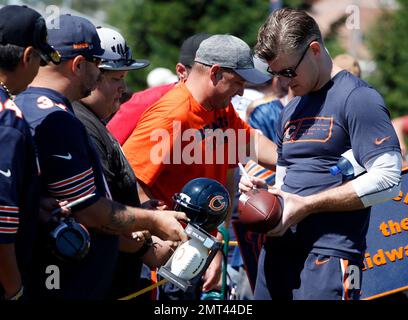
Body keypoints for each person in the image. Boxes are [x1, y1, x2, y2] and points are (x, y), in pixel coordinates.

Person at [14, 14, 187, 300]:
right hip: (61, 281)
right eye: (98, 63)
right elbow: (90, 211)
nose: (99, 75)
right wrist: (154, 222)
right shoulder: (57, 118)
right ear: (79, 65)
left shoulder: (28, 105)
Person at [240, 8, 402, 300]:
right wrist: (269, 193)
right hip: (278, 250)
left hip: (329, 254)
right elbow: (285, 179)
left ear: (314, 49)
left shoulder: (358, 98)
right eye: (276, 75)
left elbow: (389, 179)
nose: (284, 83)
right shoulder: (290, 108)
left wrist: (308, 204)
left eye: (289, 71)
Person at [122, 34, 277, 298]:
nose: (241, 91)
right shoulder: (174, 113)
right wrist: (157, 242)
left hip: (198, 249)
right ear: (215, 73)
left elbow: (250, 143)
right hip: (166, 260)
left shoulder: (219, 109)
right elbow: (128, 181)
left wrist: (297, 161)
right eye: (238, 82)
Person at [72, 26, 176, 299]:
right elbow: (91, 214)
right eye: (117, 78)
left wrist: (139, 209)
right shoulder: (81, 124)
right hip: (100, 281)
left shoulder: (95, 121)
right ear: (93, 74)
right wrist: (147, 248)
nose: (124, 88)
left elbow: (109, 197)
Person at [0, 5, 61, 300]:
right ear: (27, 56)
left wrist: (31, 202)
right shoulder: (7, 119)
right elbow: (0, 217)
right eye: (39, 59)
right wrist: (14, 290)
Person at [107, 33, 211, 146]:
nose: (215, 79)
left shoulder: (223, 108)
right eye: (208, 73)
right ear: (182, 71)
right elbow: (106, 147)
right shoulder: (147, 101)